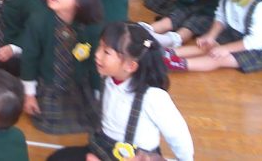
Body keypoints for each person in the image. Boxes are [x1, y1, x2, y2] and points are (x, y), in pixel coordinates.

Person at [48, 22, 194, 161]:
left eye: (106, 52)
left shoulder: (153, 97)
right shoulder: (107, 79)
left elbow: (178, 135)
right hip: (101, 148)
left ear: (130, 66)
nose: (97, 54)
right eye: (100, 47)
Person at [22, 0, 105, 135]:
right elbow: (29, 58)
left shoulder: (92, 26)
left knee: (93, 119)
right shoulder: (39, 20)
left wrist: (98, 94)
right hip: (49, 83)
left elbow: (96, 65)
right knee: (47, 122)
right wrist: (29, 94)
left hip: (78, 84)